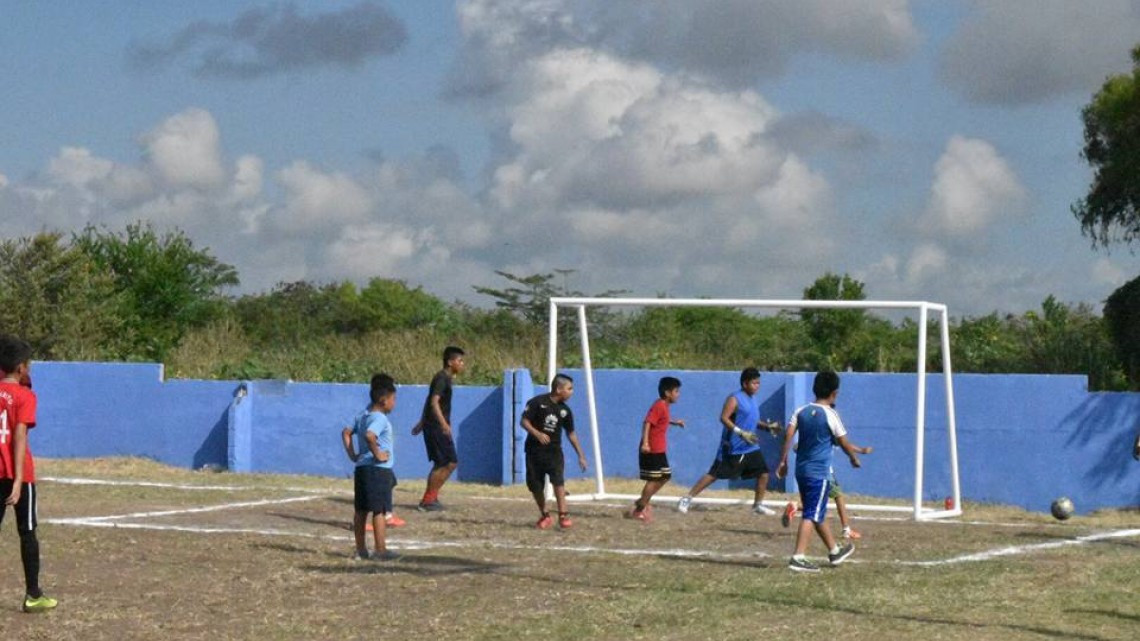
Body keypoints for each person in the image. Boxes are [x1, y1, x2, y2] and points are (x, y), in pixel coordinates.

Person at [776, 371, 862, 573]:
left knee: (816, 511)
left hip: (801, 470)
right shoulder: (831, 414)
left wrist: (783, 460)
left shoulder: (801, 410)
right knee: (810, 513)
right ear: (835, 393)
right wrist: (853, 457)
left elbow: (788, 434)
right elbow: (843, 441)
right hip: (819, 473)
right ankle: (798, 556)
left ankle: (834, 551)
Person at [0, 335, 58, 612]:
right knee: (28, 532)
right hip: (18, 475)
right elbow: (19, 435)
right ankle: (33, 595)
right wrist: (19, 480)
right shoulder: (25, 396)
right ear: (21, 367)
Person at [676, 367, 780, 515]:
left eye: (758, 383)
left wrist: (767, 427)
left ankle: (758, 505)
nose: (757, 386)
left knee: (763, 473)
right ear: (745, 384)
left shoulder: (752, 399)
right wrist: (740, 433)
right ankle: (687, 498)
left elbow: (751, 420)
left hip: (750, 447)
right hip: (733, 447)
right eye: (754, 383)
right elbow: (723, 418)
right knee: (714, 475)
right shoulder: (734, 398)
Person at [341, 373, 401, 561]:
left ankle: (361, 550)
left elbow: (346, 432)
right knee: (379, 510)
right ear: (384, 400)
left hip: (362, 469)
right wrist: (378, 454)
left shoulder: (363, 415)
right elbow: (369, 435)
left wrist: (353, 455)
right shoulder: (379, 418)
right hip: (378, 469)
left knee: (360, 510)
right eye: (393, 399)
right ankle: (380, 550)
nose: (394, 403)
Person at [521, 374, 588, 530]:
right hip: (534, 452)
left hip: (554, 452)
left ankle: (563, 515)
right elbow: (524, 421)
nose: (572, 392)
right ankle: (545, 515)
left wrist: (581, 455)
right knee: (535, 486)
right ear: (558, 389)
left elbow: (571, 433)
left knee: (558, 481)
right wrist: (537, 433)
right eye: (569, 388)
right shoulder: (538, 403)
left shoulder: (565, 411)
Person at [412, 346, 465, 511]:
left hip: (433, 425)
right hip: (436, 427)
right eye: (460, 360)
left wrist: (421, 422)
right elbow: (434, 402)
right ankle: (428, 500)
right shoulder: (442, 378)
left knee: (445, 463)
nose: (462, 364)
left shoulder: (446, 378)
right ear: (450, 362)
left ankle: (430, 498)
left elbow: (430, 399)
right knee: (447, 462)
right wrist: (443, 424)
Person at [626, 377, 685, 523]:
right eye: (676, 391)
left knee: (665, 476)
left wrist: (674, 422)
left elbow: (661, 419)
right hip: (651, 450)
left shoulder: (664, 406)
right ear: (667, 393)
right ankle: (639, 510)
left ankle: (642, 501)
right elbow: (647, 422)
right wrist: (645, 443)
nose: (679, 394)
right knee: (653, 479)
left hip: (659, 450)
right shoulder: (658, 405)